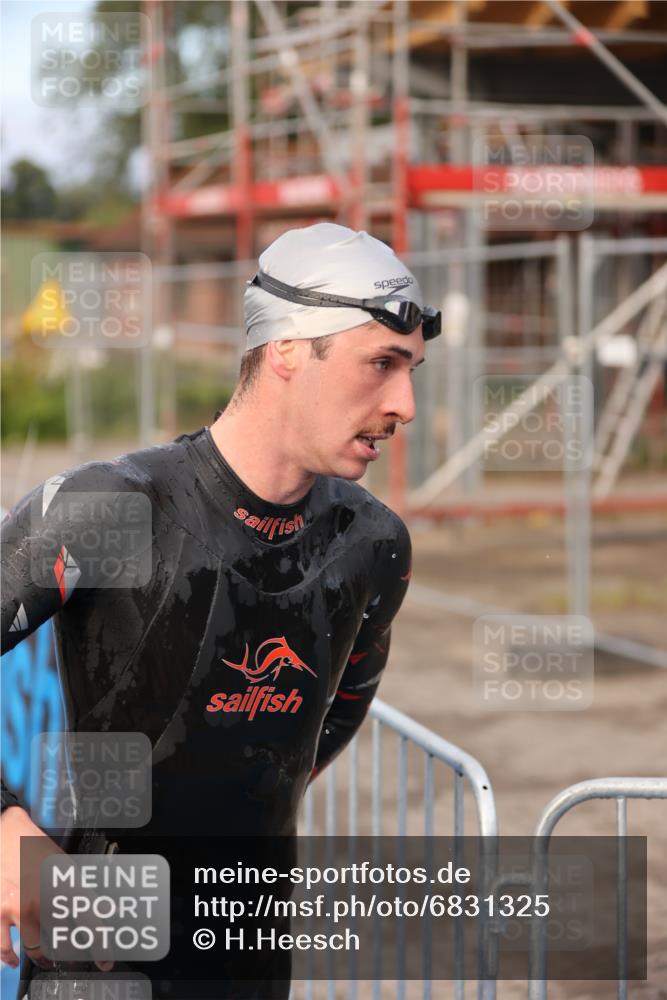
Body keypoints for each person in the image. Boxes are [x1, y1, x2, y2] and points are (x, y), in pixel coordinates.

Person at [1, 223, 441, 998]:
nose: (403, 404)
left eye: (411, 372)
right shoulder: (116, 507)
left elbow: (324, 725)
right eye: (381, 364)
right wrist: (6, 829)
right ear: (286, 351)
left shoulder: (371, 545)